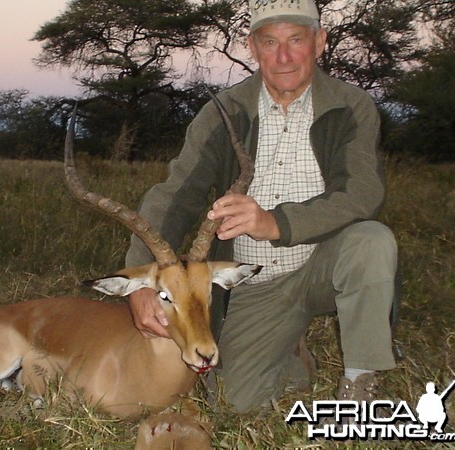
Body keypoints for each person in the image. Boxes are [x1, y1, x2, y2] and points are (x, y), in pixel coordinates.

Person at [125, 0, 398, 412]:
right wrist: (141, 278)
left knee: (371, 241)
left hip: (324, 262)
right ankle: (291, 354)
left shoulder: (351, 105)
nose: (283, 57)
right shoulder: (225, 111)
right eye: (270, 42)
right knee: (230, 403)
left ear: (319, 42)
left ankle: (360, 379)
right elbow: (175, 195)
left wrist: (275, 222)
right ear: (252, 47)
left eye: (296, 40)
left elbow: (362, 193)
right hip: (256, 285)